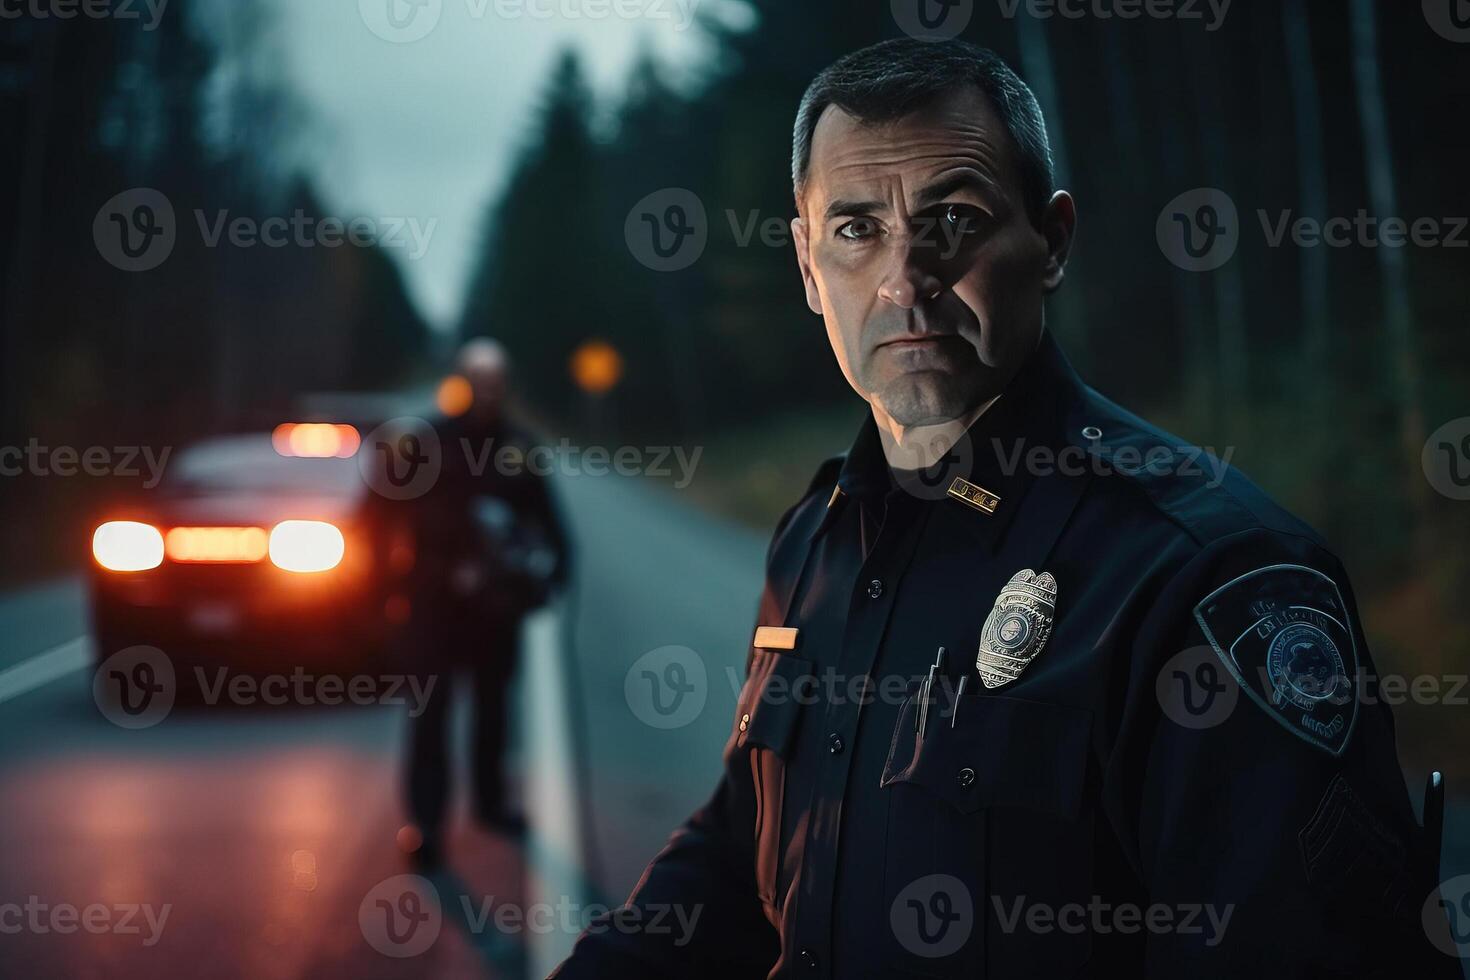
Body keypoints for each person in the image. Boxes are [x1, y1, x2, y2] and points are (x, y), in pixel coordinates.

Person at [551, 39, 1454, 978]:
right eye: (856, 230)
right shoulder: (813, 544)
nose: (905, 280)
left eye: (954, 217)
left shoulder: (1203, 577)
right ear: (810, 270)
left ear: (1053, 240)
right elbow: (745, 852)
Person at [401, 338, 570, 866]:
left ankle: (491, 804)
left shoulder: (517, 444)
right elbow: (388, 512)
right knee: (431, 713)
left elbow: (546, 514)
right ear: (462, 380)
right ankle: (426, 827)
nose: (488, 389)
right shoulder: (428, 441)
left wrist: (554, 572)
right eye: (479, 378)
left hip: (495, 608)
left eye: (497, 379)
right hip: (433, 603)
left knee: (493, 709)